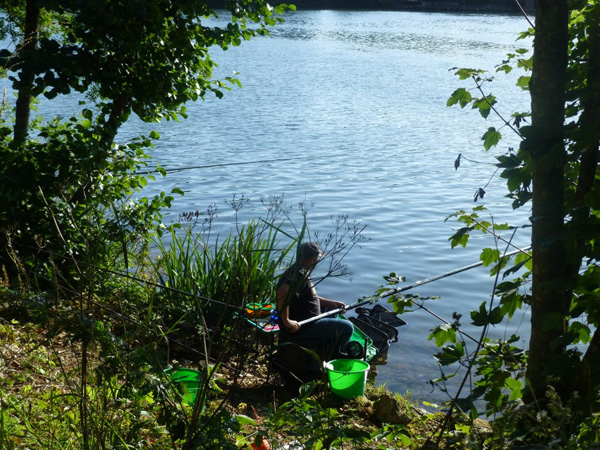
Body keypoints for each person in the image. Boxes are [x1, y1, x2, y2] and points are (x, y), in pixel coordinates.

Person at [276, 242, 354, 360]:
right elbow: (283, 291)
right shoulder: (299, 274)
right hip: (302, 328)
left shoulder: (299, 270)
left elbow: (311, 297)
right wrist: (287, 321)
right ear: (313, 259)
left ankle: (326, 349)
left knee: (333, 310)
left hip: (309, 319)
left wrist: (332, 303)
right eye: (317, 258)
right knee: (348, 327)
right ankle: (336, 356)